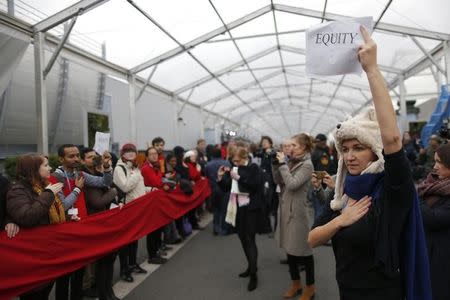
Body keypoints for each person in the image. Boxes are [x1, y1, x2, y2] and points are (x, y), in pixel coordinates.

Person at [308, 26, 431, 300]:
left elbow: (392, 138)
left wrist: (372, 70)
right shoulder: (344, 193)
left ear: (375, 151)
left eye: (359, 148)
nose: (350, 156)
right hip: (347, 291)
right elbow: (313, 238)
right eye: (346, 149)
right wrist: (341, 221)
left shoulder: (391, 190)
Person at [52, 144, 113, 300]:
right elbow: (64, 206)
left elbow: (104, 182)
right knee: (64, 276)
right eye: (71, 156)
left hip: (80, 228)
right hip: (64, 232)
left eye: (77, 155)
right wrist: (78, 189)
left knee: (79, 271)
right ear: (61, 159)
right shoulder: (55, 177)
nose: (76, 159)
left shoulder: (79, 174)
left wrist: (106, 168)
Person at [6, 154, 66, 299]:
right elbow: (27, 217)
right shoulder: (18, 190)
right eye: (45, 165)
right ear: (33, 170)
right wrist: (49, 194)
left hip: (47, 255)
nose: (50, 168)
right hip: (32, 261)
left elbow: (50, 215)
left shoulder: (44, 186)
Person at [272, 134, 315, 300]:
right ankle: (296, 284)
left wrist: (282, 163)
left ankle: (310, 287)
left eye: (294, 145)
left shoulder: (307, 165)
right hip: (286, 210)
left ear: (303, 147)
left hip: (298, 214)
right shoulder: (291, 161)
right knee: (290, 251)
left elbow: (292, 184)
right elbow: (279, 181)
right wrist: (275, 165)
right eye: (289, 145)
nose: (290, 148)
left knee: (305, 251)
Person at [218, 147, 264, 292]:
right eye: (233, 160)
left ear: (245, 157)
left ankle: (253, 274)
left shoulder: (254, 168)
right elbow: (226, 187)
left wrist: (238, 177)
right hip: (237, 208)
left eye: (238, 160)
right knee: (242, 238)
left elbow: (255, 186)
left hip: (251, 209)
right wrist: (220, 178)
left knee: (250, 239)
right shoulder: (234, 168)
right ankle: (250, 267)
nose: (235, 163)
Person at [81, 149, 120, 300]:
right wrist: (113, 192)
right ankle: (103, 292)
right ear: (84, 161)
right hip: (94, 223)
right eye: (89, 157)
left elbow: (107, 182)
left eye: (95, 156)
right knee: (103, 260)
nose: (94, 159)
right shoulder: (84, 177)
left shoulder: (98, 174)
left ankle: (107, 291)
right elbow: (97, 202)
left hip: (105, 221)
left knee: (108, 259)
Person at [418, 143, 450, 300]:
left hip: (442, 262)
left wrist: (417, 200)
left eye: (440, 162)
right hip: (429, 255)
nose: (435, 167)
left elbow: (432, 218)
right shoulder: (433, 184)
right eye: (435, 161)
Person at [114, 143, 148, 282]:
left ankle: (133, 264)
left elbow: (140, 187)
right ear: (123, 154)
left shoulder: (134, 167)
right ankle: (124, 269)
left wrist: (150, 190)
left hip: (137, 207)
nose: (131, 154)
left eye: (133, 152)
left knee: (134, 238)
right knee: (126, 241)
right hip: (127, 208)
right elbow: (125, 186)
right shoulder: (119, 168)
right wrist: (137, 172)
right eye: (128, 152)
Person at [141, 147, 169, 265]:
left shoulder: (156, 167)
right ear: (147, 156)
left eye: (156, 154)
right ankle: (152, 255)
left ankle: (156, 251)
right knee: (153, 229)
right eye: (151, 154)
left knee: (158, 227)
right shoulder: (147, 168)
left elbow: (159, 182)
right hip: (150, 201)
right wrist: (162, 185)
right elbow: (156, 183)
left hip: (157, 200)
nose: (154, 156)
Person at [205, 147, 231, 235]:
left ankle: (216, 228)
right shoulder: (226, 163)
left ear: (212, 155)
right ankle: (224, 228)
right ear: (221, 154)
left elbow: (206, 176)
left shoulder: (208, 165)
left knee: (216, 209)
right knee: (225, 209)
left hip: (214, 189)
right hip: (225, 189)